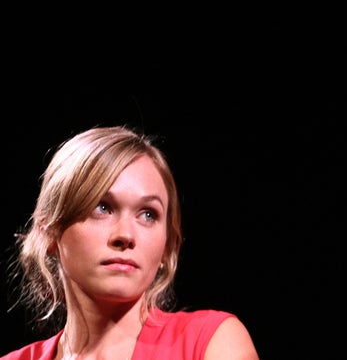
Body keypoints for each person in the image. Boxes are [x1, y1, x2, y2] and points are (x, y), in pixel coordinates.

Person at [1, 126, 259, 360]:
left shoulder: (211, 342)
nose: (126, 235)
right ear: (50, 232)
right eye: (102, 207)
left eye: (148, 214)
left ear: (167, 245)